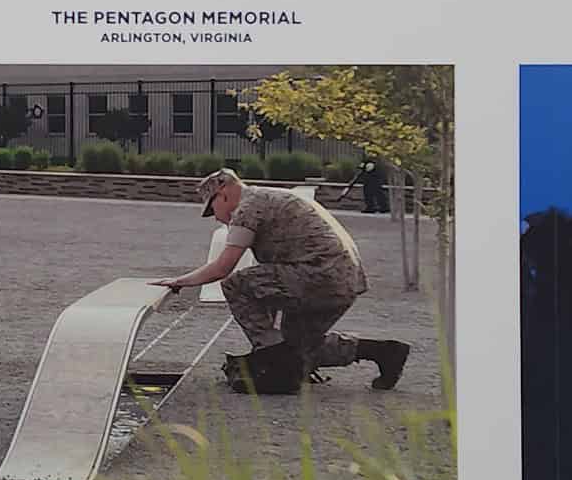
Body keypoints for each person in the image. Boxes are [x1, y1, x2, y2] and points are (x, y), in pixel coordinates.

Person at [155, 167, 410, 395]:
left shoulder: (248, 207)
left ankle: (276, 363)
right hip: (342, 281)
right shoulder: (268, 197)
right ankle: (384, 352)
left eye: (213, 210)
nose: (217, 217)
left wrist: (180, 281)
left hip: (320, 275)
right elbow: (268, 279)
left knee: (235, 284)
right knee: (298, 347)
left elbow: (223, 268)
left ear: (222, 194)